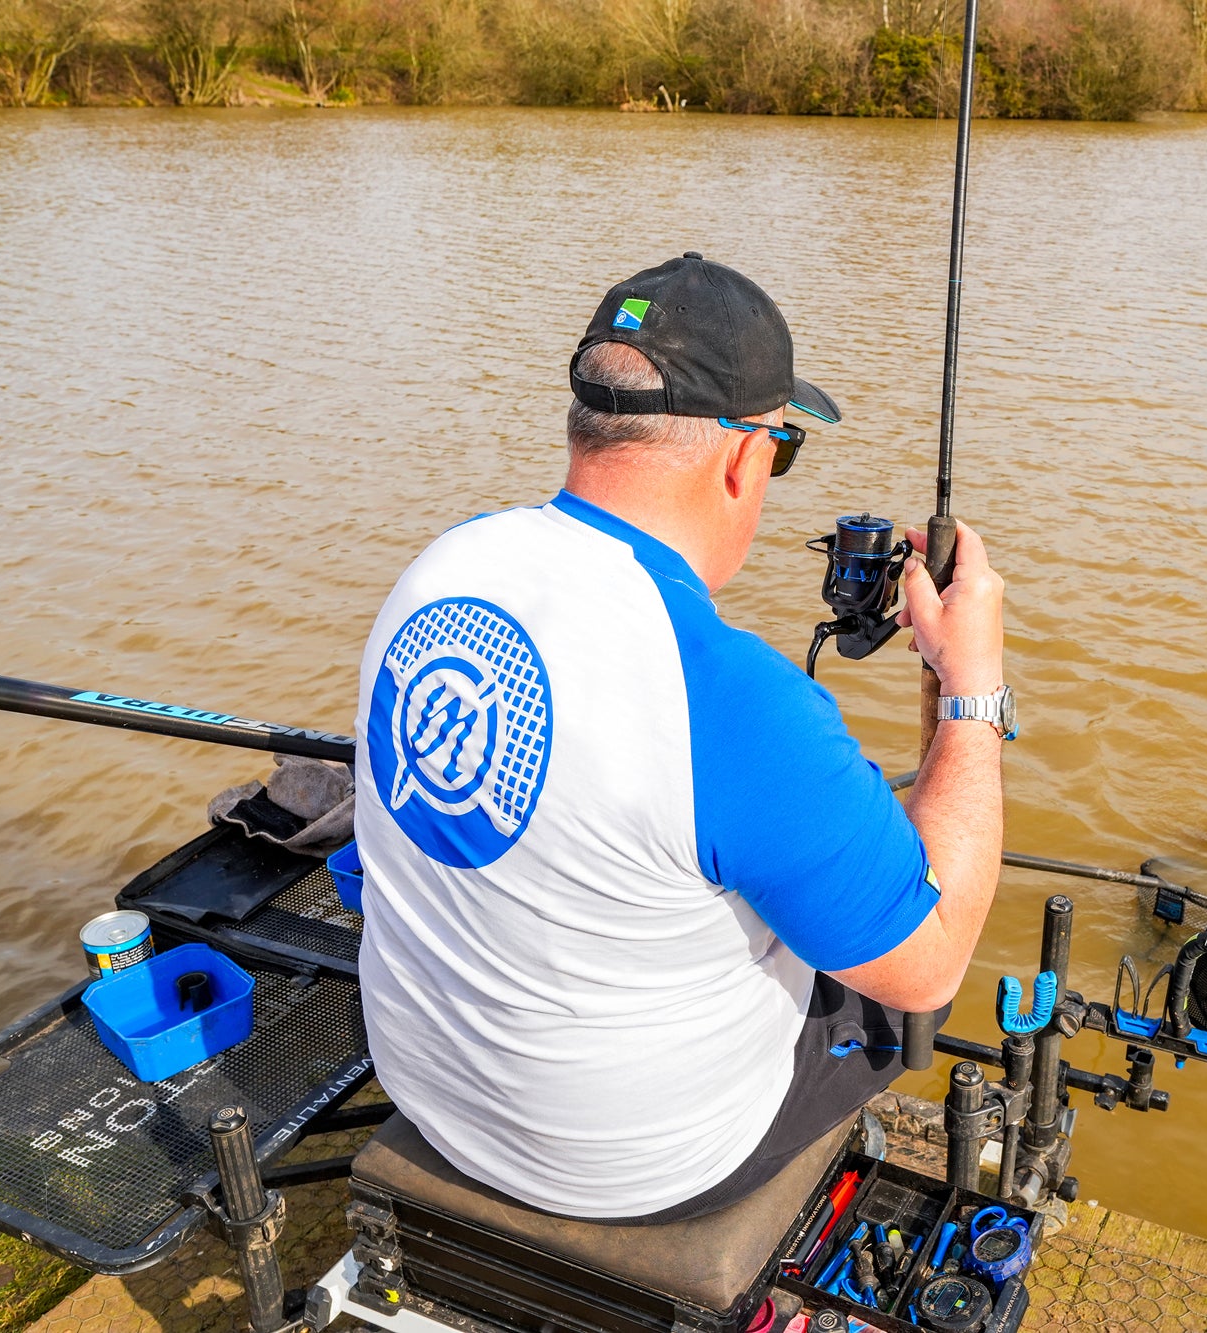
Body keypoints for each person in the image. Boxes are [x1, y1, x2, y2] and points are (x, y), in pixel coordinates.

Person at [350, 253, 1011, 1224]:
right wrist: (971, 688)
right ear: (744, 457)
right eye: (781, 450)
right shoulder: (735, 695)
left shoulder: (443, 568)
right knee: (908, 967)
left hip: (427, 1091)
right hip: (632, 1170)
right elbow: (932, 956)